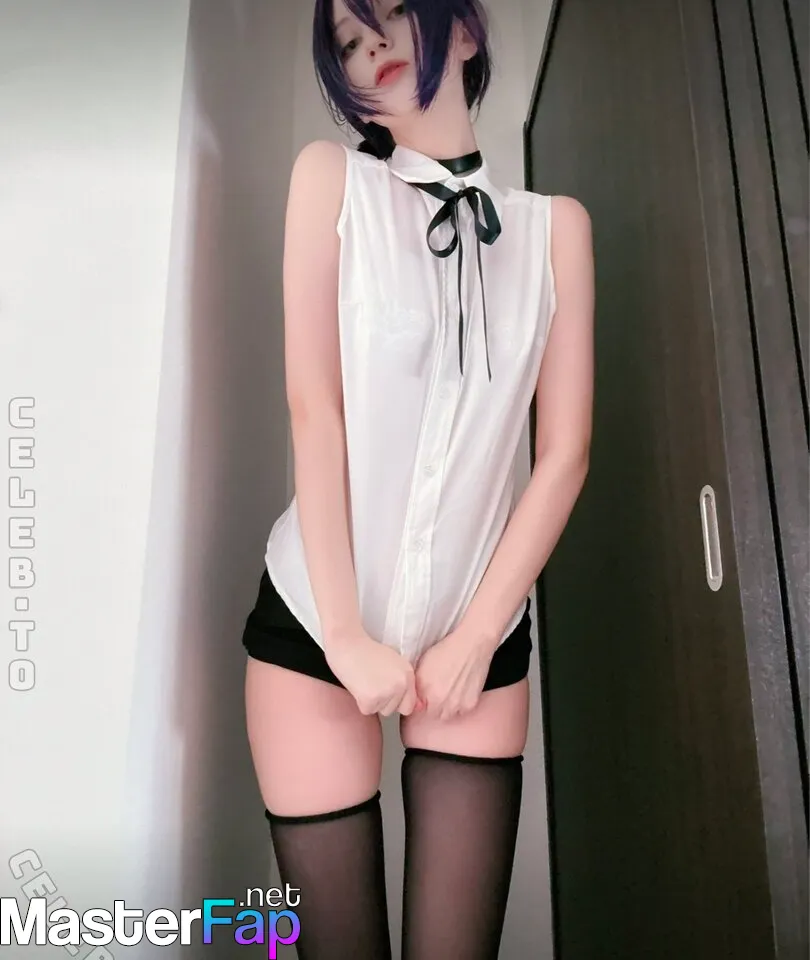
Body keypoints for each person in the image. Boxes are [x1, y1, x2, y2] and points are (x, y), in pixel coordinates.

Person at [241, 1, 594, 957]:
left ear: (465, 31)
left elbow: (564, 455)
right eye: (348, 43)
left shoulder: (555, 231)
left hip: (479, 630)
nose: (372, 49)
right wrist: (347, 635)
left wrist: (477, 637)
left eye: (392, 14)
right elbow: (314, 409)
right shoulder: (332, 182)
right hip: (317, 623)